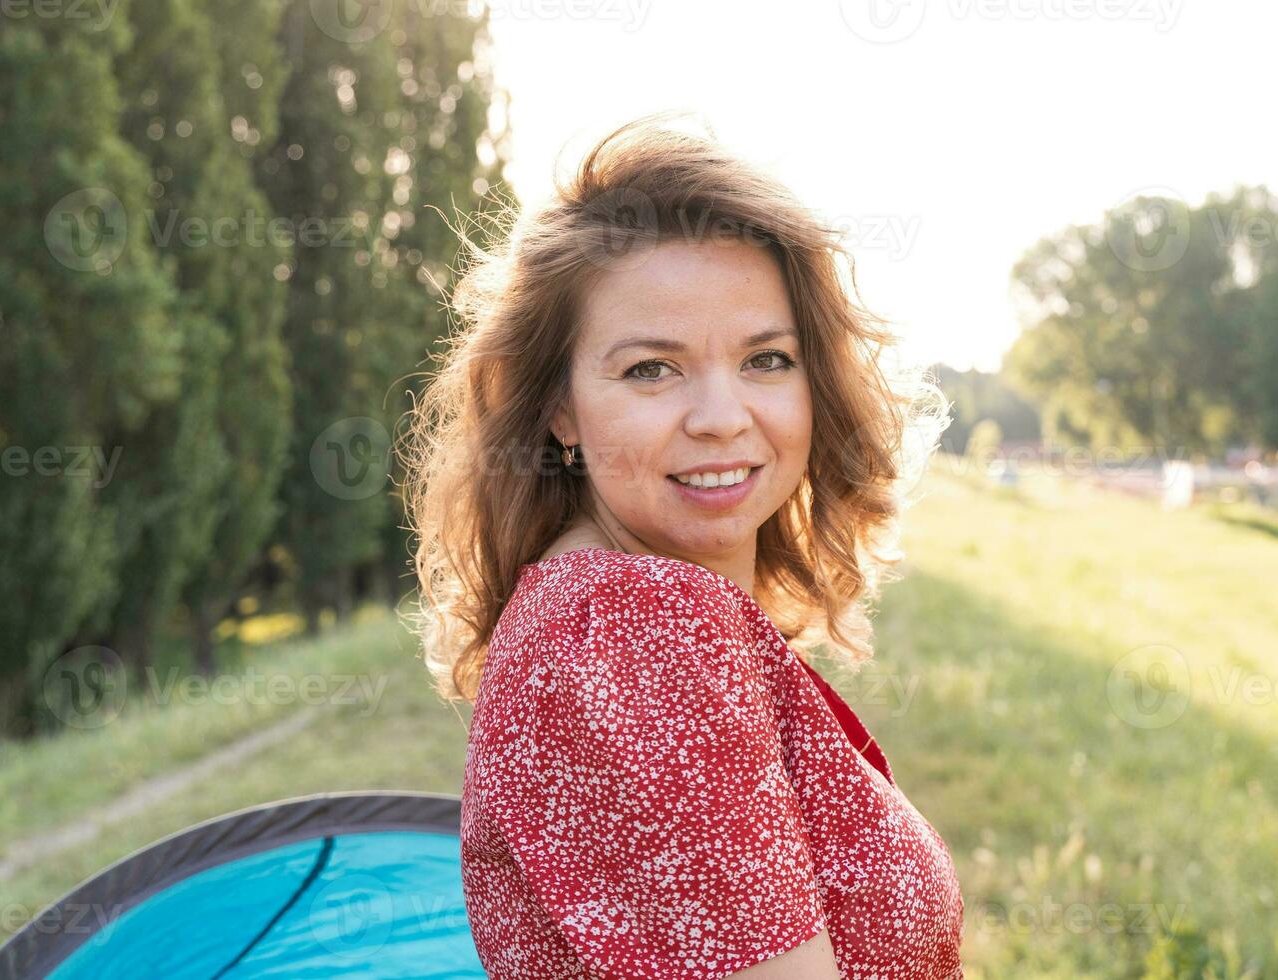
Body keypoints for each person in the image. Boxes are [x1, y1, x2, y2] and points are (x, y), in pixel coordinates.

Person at [399, 112, 964, 979]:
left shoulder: (615, 613)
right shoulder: (633, 634)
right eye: (650, 369)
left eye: (766, 359)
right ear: (558, 410)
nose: (721, 417)